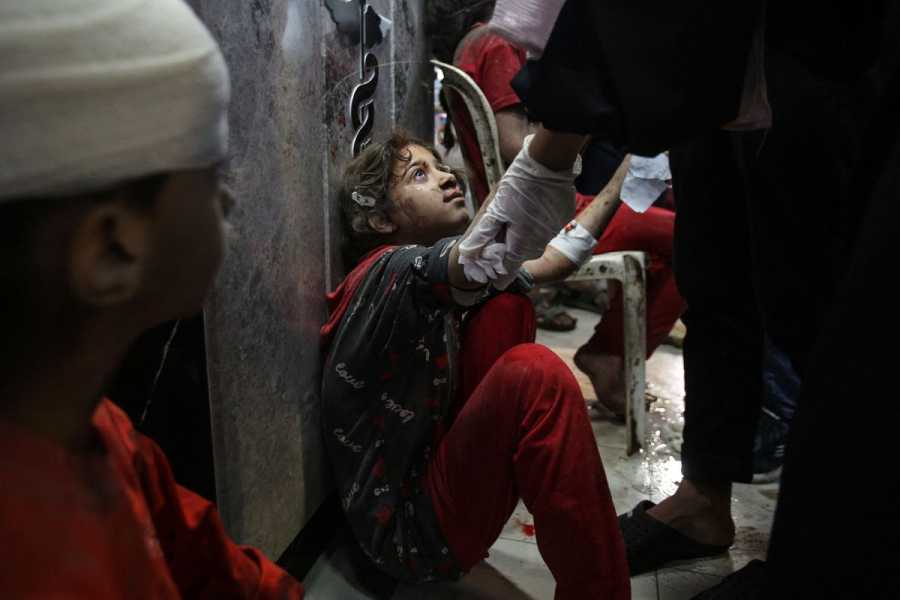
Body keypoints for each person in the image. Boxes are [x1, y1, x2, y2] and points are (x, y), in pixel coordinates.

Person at [461, 0, 891, 596]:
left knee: (817, 294)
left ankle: (830, 553)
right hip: (713, 65)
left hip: (815, 47)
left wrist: (550, 159)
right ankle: (702, 499)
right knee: (711, 269)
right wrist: (546, 165)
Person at [0, 1, 304, 597]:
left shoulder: (101, 432)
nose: (230, 204)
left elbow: (223, 572)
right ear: (113, 249)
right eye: (213, 179)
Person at [319, 130, 630, 599]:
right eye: (419, 174)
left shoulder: (432, 280)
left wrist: (631, 170)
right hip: (405, 537)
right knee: (534, 374)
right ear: (381, 219)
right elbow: (486, 252)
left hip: (432, 484)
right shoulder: (391, 271)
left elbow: (556, 260)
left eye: (441, 167)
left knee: (506, 302)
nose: (446, 177)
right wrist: (570, 118)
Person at [427, 1, 685, 417]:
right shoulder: (497, 43)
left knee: (671, 237)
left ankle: (610, 351)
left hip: (522, 204)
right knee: (689, 239)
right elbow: (514, 144)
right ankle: (609, 354)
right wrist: (588, 120)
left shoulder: (482, 41)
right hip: (536, 212)